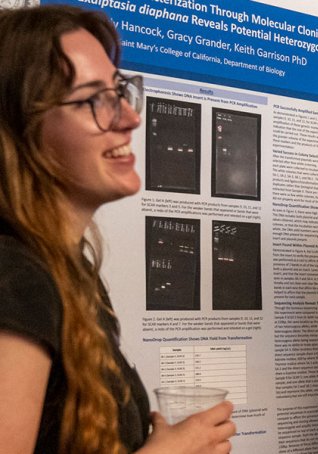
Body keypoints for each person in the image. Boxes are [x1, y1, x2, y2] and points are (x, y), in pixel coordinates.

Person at [0, 5, 235, 453]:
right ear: (20, 128)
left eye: (120, 91)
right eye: (94, 99)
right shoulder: (14, 278)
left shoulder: (70, 272)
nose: (130, 118)